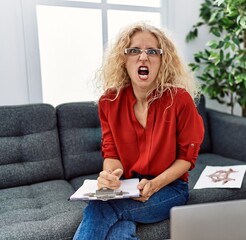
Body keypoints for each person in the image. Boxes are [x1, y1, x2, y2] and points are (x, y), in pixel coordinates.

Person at [73, 21, 205, 240]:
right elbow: (111, 153)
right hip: (128, 186)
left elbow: (186, 159)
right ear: (123, 60)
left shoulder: (180, 100)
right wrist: (111, 175)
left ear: (163, 60)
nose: (143, 57)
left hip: (170, 188)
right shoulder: (109, 101)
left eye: (152, 51)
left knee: (100, 207)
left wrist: (154, 184)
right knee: (119, 226)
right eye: (134, 50)